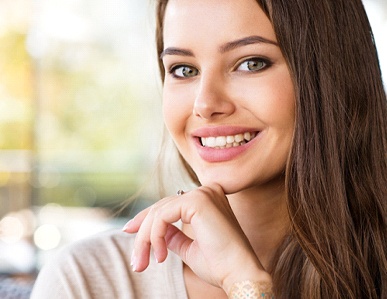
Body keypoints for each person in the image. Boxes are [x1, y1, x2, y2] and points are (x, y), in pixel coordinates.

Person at [31, 0, 386, 298]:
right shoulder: (87, 281)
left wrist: (246, 283)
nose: (204, 104)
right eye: (184, 69)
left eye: (251, 63)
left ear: (329, 74)